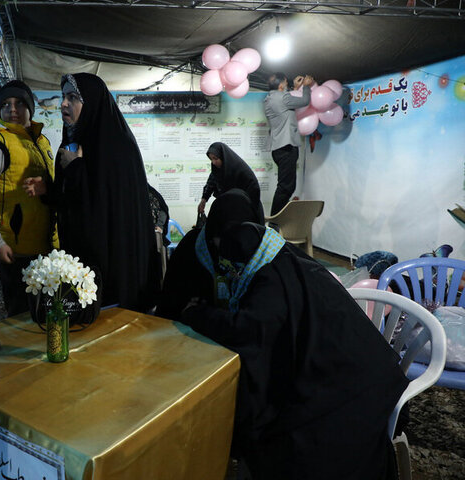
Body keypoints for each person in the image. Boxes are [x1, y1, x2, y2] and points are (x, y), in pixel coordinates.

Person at [157, 190, 408, 480]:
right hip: (360, 363)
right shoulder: (276, 254)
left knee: (282, 432)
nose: (230, 271)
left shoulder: (268, 280)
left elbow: (249, 330)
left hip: (351, 384)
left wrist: (198, 315)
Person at [25, 73, 160, 312]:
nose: (64, 104)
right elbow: (73, 201)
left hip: (111, 259)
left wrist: (76, 168)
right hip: (81, 256)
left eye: (73, 97)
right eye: (64, 97)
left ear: (93, 103)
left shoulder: (117, 147)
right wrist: (49, 190)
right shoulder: (71, 143)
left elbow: (106, 206)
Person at [0, 80, 57, 316]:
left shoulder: (41, 142)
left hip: (45, 249)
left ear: (30, 107)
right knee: (21, 324)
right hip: (15, 253)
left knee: (44, 321)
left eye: (19, 103)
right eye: (6, 104)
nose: (12, 109)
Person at [263, 73, 314, 215]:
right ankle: (274, 223)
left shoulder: (269, 98)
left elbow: (286, 101)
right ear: (281, 85)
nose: (287, 84)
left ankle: (277, 219)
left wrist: (295, 87)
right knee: (286, 187)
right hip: (286, 148)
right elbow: (304, 101)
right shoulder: (283, 98)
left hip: (277, 148)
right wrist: (306, 86)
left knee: (286, 186)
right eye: (286, 82)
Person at [198, 141, 264, 225]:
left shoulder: (240, 170)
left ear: (223, 157)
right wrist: (203, 200)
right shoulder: (217, 170)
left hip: (247, 212)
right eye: (211, 159)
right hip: (230, 210)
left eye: (216, 158)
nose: (213, 162)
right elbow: (211, 184)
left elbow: (254, 191)